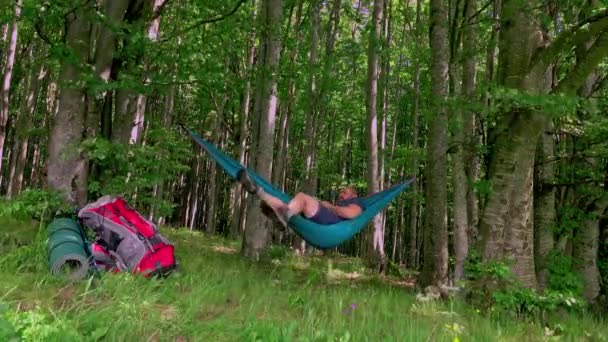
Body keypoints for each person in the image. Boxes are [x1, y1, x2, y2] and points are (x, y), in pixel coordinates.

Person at [236, 169, 366, 227]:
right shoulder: (342, 203)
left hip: (330, 221)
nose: (341, 195)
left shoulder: (357, 202)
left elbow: (350, 214)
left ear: (354, 195)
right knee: (287, 205)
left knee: (302, 198)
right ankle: (258, 191)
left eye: (345, 193)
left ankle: (284, 215)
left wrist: (330, 206)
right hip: (325, 217)